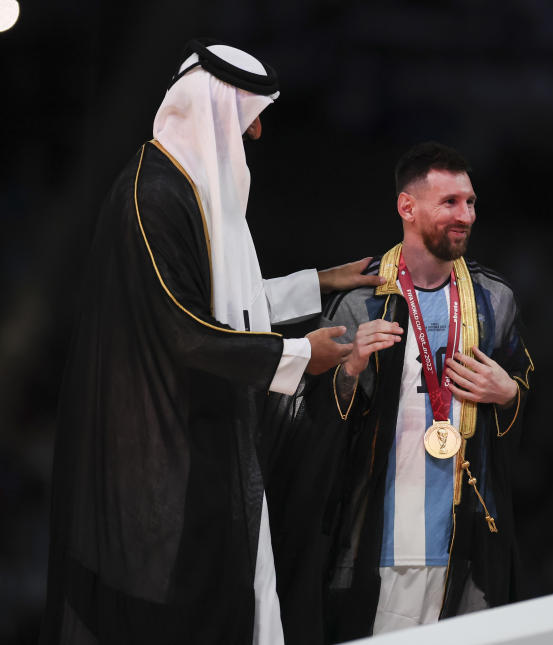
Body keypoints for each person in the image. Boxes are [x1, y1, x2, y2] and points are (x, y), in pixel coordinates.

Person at [41, 40, 382, 645]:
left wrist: (318, 283)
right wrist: (304, 357)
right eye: (251, 116)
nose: (256, 134)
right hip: (164, 454)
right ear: (217, 109)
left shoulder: (192, 187)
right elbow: (185, 331)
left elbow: (230, 302)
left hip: (211, 437)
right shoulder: (150, 196)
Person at [263, 142, 534, 643]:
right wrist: (349, 370)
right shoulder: (360, 306)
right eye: (449, 202)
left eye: (470, 202)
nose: (466, 215)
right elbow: (309, 429)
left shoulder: (495, 301)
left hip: (467, 539)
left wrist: (508, 396)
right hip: (379, 538)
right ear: (407, 208)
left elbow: (527, 401)